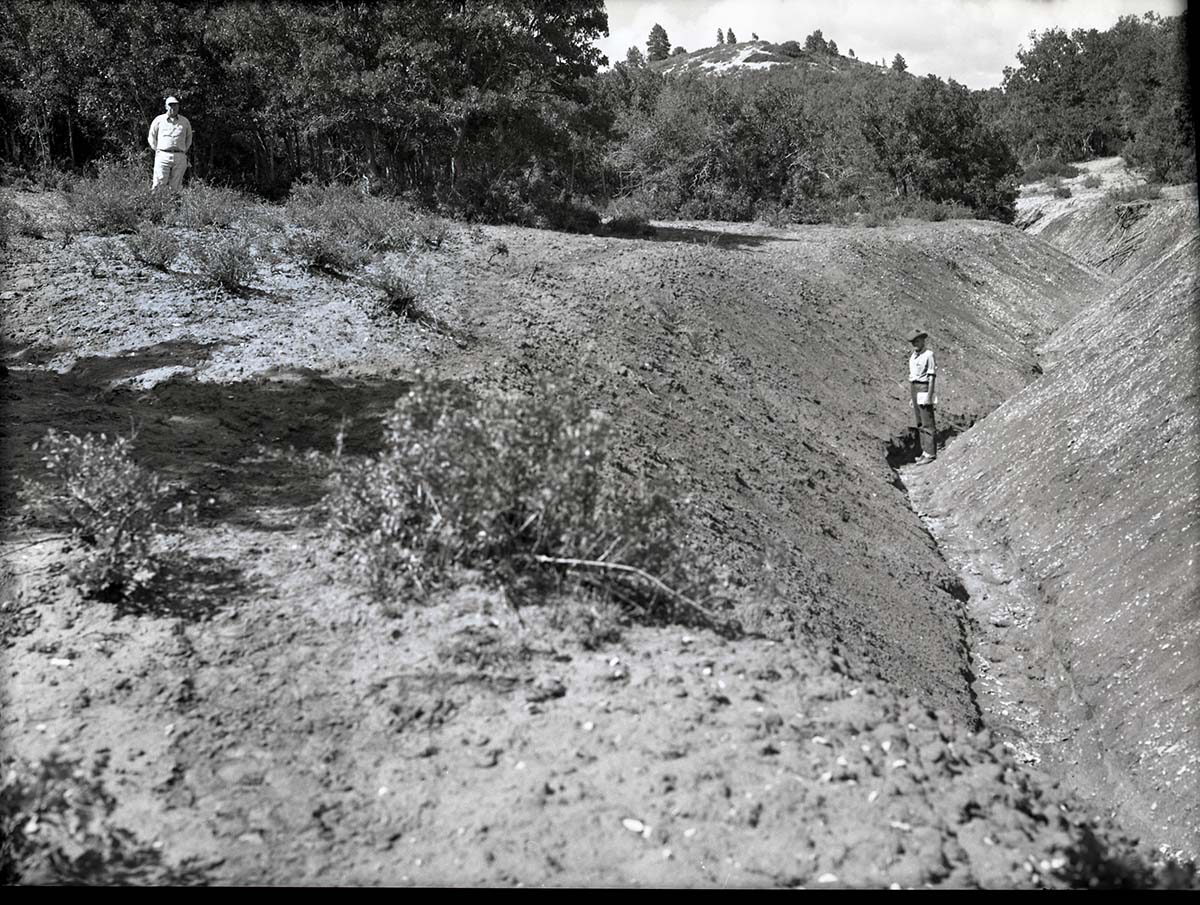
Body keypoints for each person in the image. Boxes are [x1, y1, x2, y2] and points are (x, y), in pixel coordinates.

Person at [147, 96, 193, 191]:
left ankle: (173, 204)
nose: (173, 107)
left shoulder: (184, 121)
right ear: (166, 106)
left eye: (175, 105)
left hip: (180, 156)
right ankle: (155, 204)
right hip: (163, 155)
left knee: (176, 185)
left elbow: (189, 138)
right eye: (170, 105)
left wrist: (184, 150)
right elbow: (152, 136)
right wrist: (157, 150)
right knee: (159, 183)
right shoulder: (159, 120)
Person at [908, 328, 938, 463]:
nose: (915, 343)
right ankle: (924, 451)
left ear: (923, 340)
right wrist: (912, 396)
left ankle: (931, 453)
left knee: (927, 422)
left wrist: (929, 395)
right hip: (914, 387)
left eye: (917, 341)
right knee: (920, 422)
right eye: (913, 341)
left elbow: (931, 377)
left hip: (924, 387)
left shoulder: (928, 355)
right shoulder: (913, 356)